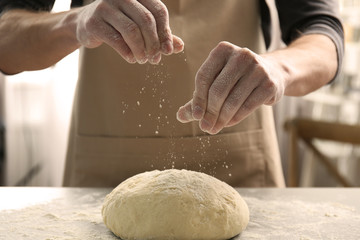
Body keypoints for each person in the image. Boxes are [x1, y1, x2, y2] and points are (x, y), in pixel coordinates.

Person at [0, 0, 343, 187]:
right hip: (105, 172)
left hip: (239, 168)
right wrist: (74, 22)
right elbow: (6, 40)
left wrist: (279, 69)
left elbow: (324, 35)